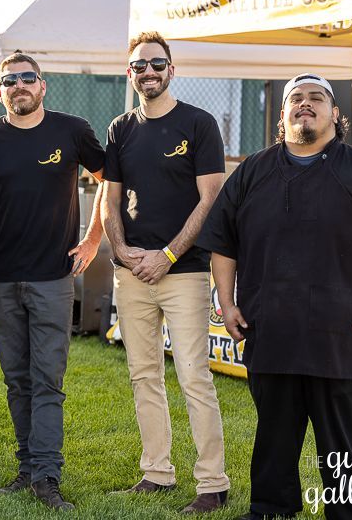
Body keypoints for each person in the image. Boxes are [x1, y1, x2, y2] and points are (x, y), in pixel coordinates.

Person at [198, 73, 352, 520]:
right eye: (296, 98)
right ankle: (271, 509)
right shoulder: (253, 170)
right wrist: (228, 303)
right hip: (269, 329)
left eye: (317, 98)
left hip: (341, 333)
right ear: (282, 114)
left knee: (339, 442)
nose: (305, 104)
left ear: (336, 113)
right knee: (273, 434)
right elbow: (223, 243)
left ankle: (347, 515)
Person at [0, 53, 106, 510]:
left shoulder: (72, 130)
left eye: (28, 78)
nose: (20, 85)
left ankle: (47, 475)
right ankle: (27, 468)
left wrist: (91, 240)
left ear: (42, 86)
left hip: (52, 277)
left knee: (48, 379)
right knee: (17, 379)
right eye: (10, 80)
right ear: (0, 91)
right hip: (2, 278)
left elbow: (109, 181)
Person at [101, 32, 230, 514]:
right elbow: (110, 201)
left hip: (184, 272)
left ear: (171, 70)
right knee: (143, 375)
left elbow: (210, 197)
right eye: (139, 66)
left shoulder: (198, 124)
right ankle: (156, 472)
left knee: (194, 375)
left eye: (156, 64)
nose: (148, 72)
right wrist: (122, 249)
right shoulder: (120, 128)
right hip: (132, 271)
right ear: (129, 73)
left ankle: (212, 484)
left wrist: (168, 256)